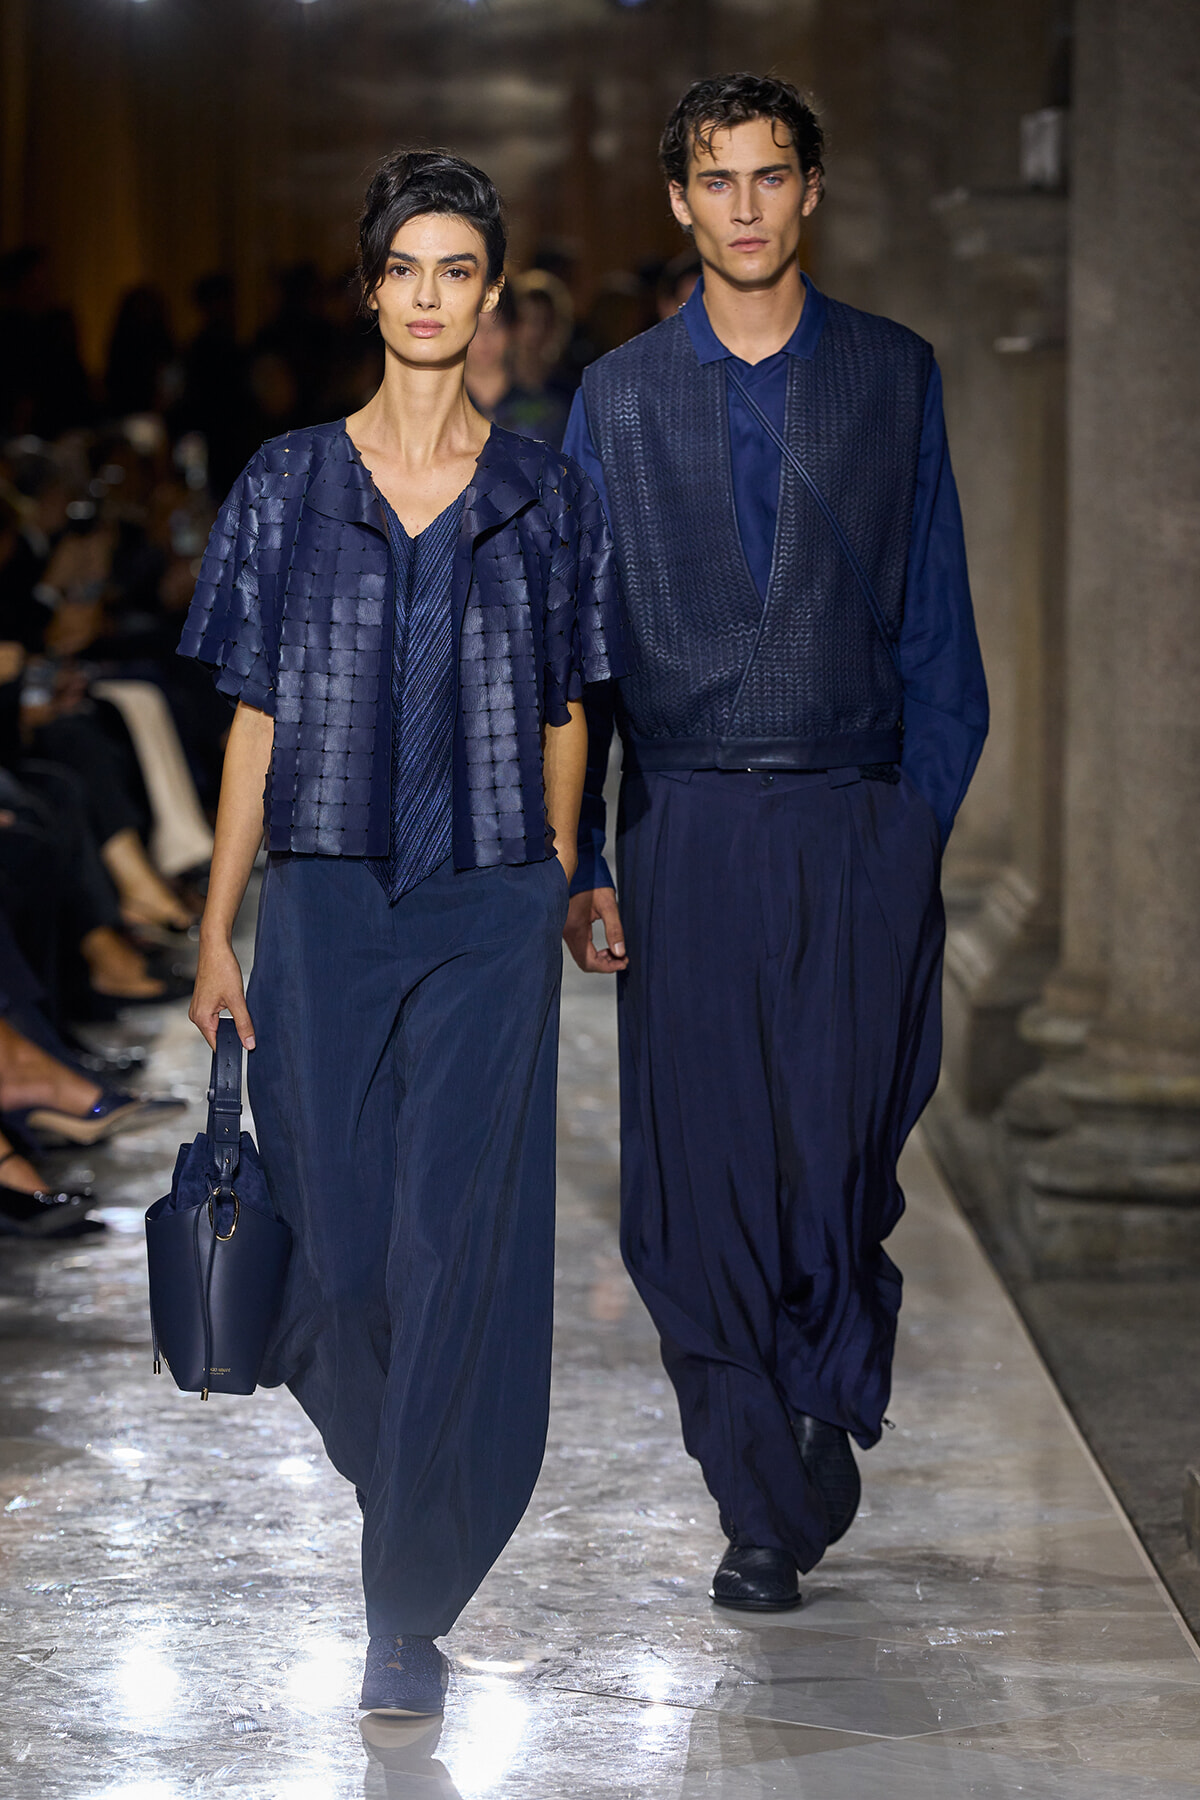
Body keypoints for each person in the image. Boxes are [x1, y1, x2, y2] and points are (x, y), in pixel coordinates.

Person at [181, 151, 623, 1715]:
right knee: (343, 1259)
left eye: (459, 270)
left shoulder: (547, 494)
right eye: (406, 268)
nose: (431, 295)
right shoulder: (287, 487)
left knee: (458, 1255)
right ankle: (416, 1506)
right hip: (320, 897)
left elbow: (572, 708)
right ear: (370, 289)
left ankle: (402, 1611)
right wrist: (214, 926)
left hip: (488, 905)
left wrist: (565, 871)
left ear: (489, 296)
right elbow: (250, 724)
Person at [563, 74, 988, 1612]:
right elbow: (584, 661)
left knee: (837, 1156)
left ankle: (820, 1384)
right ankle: (756, 1490)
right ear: (678, 201)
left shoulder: (894, 376)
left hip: (851, 817)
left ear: (812, 192)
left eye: (769, 177)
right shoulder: (614, 398)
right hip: (685, 824)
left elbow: (938, 627)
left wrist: (910, 826)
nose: (743, 206)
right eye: (715, 179)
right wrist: (586, 859)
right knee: (694, 1184)